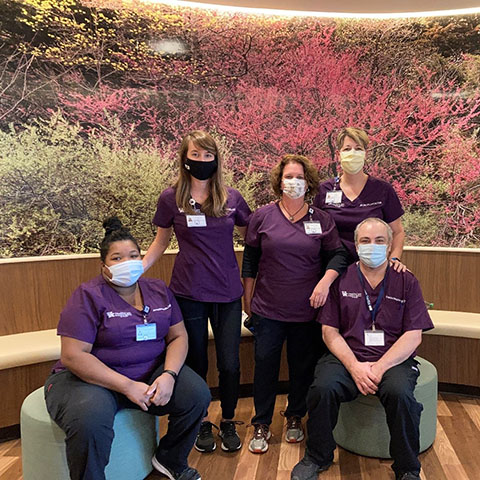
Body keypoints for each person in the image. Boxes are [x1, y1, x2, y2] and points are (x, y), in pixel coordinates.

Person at [44, 217, 210, 480]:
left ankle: (170, 459)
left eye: (133, 256)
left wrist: (169, 375)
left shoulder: (157, 289)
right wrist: (127, 386)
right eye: (117, 258)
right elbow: (73, 355)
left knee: (197, 395)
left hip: (149, 373)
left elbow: (178, 336)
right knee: (89, 421)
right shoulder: (88, 296)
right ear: (103, 267)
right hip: (90, 380)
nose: (127, 263)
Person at [291, 217, 434, 480]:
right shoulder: (342, 279)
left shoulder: (406, 281)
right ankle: (317, 456)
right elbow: (329, 332)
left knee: (400, 394)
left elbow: (413, 336)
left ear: (391, 245)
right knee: (323, 388)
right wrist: (355, 367)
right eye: (365, 241)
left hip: (393, 360)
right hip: (348, 356)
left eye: (380, 241)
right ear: (356, 246)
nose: (373, 246)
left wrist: (379, 367)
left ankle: (407, 468)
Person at [142, 130, 251, 453]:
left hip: (228, 292)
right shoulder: (170, 198)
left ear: (216, 160)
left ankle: (228, 419)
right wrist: (133, 272)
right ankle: (201, 420)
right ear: (184, 159)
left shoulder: (231, 198)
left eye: (208, 155)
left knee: (230, 363)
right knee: (196, 360)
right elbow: (160, 243)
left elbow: (253, 236)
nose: (202, 161)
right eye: (196, 155)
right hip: (188, 292)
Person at [242, 154, 348, 454]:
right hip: (267, 309)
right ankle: (261, 421)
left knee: (303, 367)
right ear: (279, 181)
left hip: (307, 311)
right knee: (265, 367)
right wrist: (246, 297)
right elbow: (250, 259)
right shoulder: (262, 217)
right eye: (288, 177)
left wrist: (324, 282)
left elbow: (338, 256)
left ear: (309, 182)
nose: (293, 182)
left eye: (299, 177)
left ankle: (294, 416)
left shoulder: (321, 219)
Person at [314, 127, 406, 270]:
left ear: (365, 154)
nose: (353, 153)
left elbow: (398, 231)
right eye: (347, 149)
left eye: (358, 149)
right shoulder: (324, 190)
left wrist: (394, 258)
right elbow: (317, 233)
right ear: (338, 154)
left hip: (372, 269)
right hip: (332, 269)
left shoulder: (383, 190)